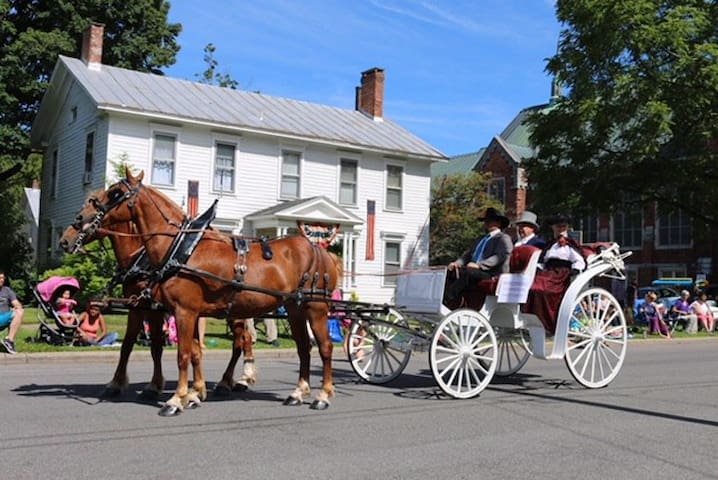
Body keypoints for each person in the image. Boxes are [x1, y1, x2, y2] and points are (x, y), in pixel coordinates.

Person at [524, 214, 586, 335]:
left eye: (563, 227)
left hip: (561, 274)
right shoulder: (550, 245)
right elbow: (542, 261)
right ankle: (532, 320)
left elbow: (579, 260)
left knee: (541, 289)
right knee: (530, 288)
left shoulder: (570, 244)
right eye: (558, 227)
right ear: (553, 228)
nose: (560, 230)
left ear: (567, 228)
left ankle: (549, 323)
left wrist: (575, 270)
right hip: (547, 272)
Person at [445, 208, 513, 307]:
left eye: (489, 220)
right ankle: (450, 300)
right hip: (474, 270)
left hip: (491, 273)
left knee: (469, 273)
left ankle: (449, 299)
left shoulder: (503, 238)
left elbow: (500, 256)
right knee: (451, 271)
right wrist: (457, 263)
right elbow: (467, 255)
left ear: (498, 223)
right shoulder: (481, 239)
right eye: (486, 221)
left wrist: (479, 265)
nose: (486, 223)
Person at [0, 270, 24, 355]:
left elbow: (16, 303)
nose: (1, 280)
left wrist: (17, 307)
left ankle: (9, 341)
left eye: (2, 278)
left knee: (19, 312)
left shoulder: (7, 290)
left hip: (3, 318)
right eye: (0, 278)